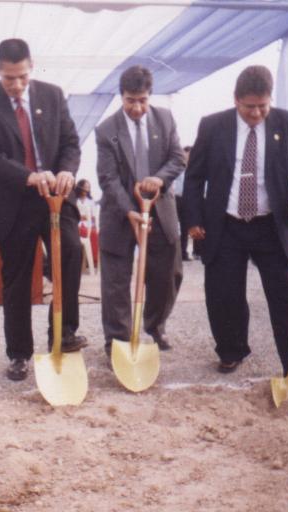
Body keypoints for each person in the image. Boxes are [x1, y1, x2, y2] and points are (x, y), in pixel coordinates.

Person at [183, 65, 288, 384]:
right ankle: (231, 350)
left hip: (270, 225)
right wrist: (193, 219)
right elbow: (194, 178)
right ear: (236, 100)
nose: (257, 113)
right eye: (250, 107)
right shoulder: (212, 125)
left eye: (263, 105)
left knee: (284, 295)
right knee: (223, 293)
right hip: (226, 223)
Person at [0, 38, 86, 381]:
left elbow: (70, 143)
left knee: (70, 254)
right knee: (18, 279)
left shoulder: (52, 94)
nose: (17, 84)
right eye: (9, 78)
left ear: (31, 67)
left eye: (22, 76)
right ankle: (19, 354)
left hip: (56, 198)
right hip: (14, 202)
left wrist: (67, 170)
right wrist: (31, 176)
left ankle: (63, 334)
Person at [95, 65, 185, 357]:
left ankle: (155, 325)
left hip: (160, 210)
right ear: (121, 97)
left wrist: (159, 179)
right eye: (130, 100)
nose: (137, 107)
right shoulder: (107, 130)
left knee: (168, 275)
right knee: (116, 282)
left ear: (150, 96)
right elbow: (107, 178)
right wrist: (129, 211)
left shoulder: (165, 118)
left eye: (142, 100)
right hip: (120, 213)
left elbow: (177, 158)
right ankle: (118, 342)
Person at [75, 179, 98, 268]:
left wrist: (87, 218)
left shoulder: (91, 201)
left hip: (88, 224)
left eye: (88, 187)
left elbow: (93, 216)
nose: (86, 189)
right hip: (77, 223)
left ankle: (92, 260)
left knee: (93, 234)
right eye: (84, 187)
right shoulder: (76, 200)